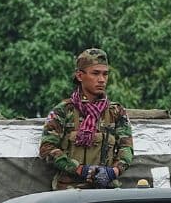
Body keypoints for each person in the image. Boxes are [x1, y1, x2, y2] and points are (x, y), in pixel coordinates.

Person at [40, 48, 134, 190]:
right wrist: (80, 169)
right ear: (79, 76)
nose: (101, 80)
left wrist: (112, 172)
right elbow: (47, 149)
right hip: (69, 190)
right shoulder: (64, 111)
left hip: (106, 188)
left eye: (105, 74)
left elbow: (126, 149)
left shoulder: (116, 112)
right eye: (95, 73)